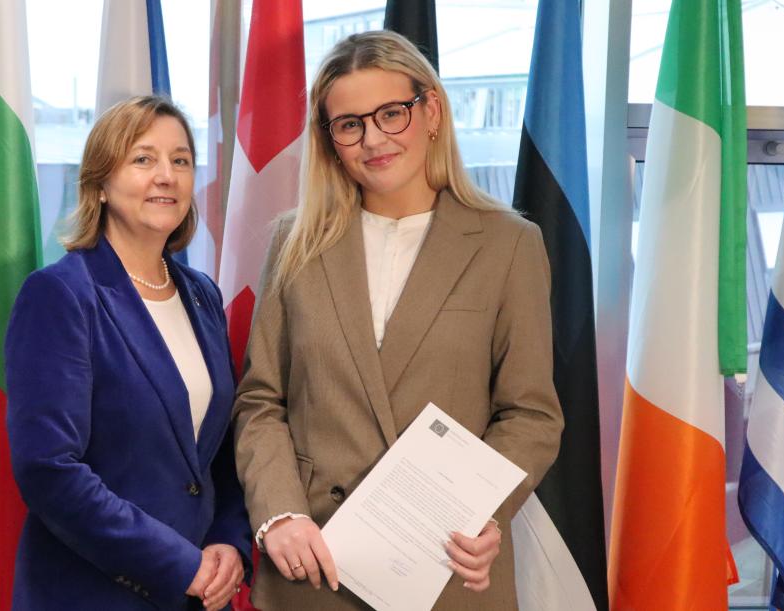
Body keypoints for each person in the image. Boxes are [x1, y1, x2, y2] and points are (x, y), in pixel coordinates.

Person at [233, 31, 563, 610]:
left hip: (447, 565)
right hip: (314, 564)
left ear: (430, 110)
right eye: (349, 124)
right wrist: (279, 514)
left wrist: (483, 511)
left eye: (391, 114)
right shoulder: (295, 241)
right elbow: (262, 402)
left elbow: (530, 414)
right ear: (330, 139)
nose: (374, 140)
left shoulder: (510, 244)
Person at [5, 96, 251, 610]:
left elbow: (218, 451)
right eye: (143, 159)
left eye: (180, 160)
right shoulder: (62, 294)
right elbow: (49, 468)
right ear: (99, 183)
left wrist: (230, 542)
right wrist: (180, 564)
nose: (167, 175)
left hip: (201, 594)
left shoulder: (202, 294)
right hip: (93, 592)